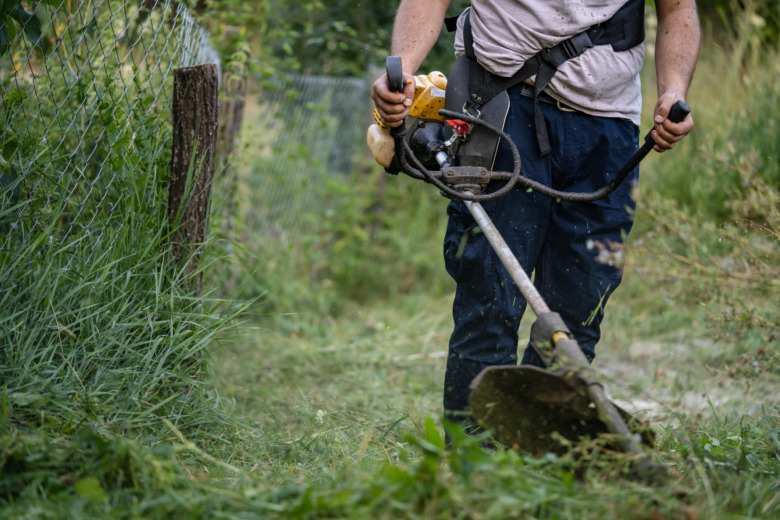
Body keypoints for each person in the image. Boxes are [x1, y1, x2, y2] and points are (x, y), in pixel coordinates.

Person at [372, 0, 700, 430]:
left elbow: (678, 10)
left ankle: (536, 459)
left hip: (608, 127)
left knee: (580, 309)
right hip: (501, 104)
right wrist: (404, 70)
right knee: (490, 298)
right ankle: (475, 467)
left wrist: (673, 91)